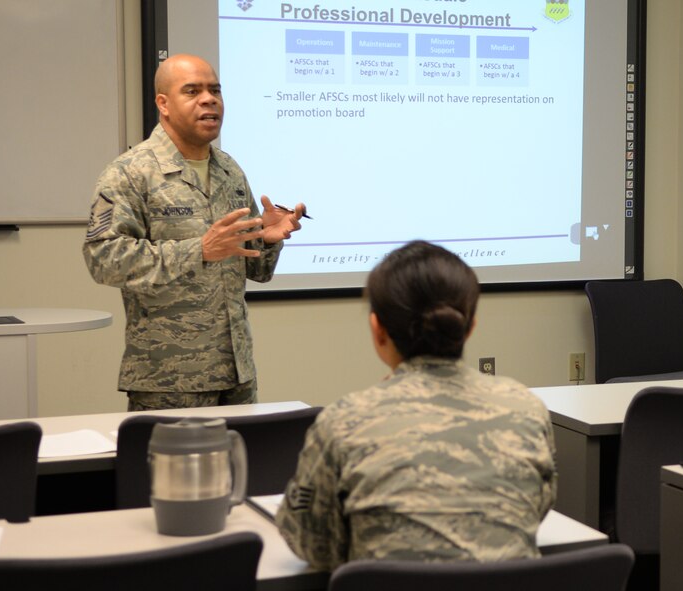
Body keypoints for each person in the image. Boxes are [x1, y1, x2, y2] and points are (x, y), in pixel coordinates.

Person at [276, 240, 557, 570]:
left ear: (377, 330)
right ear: (470, 328)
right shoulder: (525, 408)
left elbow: (312, 543)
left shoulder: (344, 420)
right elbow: (535, 510)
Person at [83, 54, 305, 411]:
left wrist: (265, 240)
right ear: (163, 103)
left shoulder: (229, 170)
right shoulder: (129, 173)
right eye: (193, 91)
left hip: (237, 374)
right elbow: (103, 259)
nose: (209, 99)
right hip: (169, 379)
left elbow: (255, 271)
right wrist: (198, 250)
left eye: (215, 90)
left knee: (242, 468)